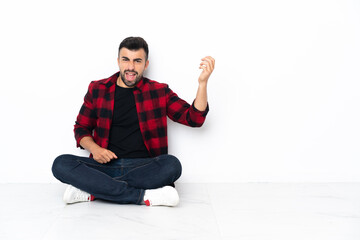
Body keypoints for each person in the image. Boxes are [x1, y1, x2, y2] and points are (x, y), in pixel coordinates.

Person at [52, 37, 215, 207]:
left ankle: (94, 190)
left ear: (146, 64)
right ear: (118, 61)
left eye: (137, 61)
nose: (130, 67)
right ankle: (141, 195)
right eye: (126, 60)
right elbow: (81, 128)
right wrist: (95, 149)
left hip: (144, 167)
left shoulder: (159, 91)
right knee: (61, 163)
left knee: (172, 165)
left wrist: (202, 83)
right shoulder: (98, 89)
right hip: (105, 166)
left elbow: (195, 119)